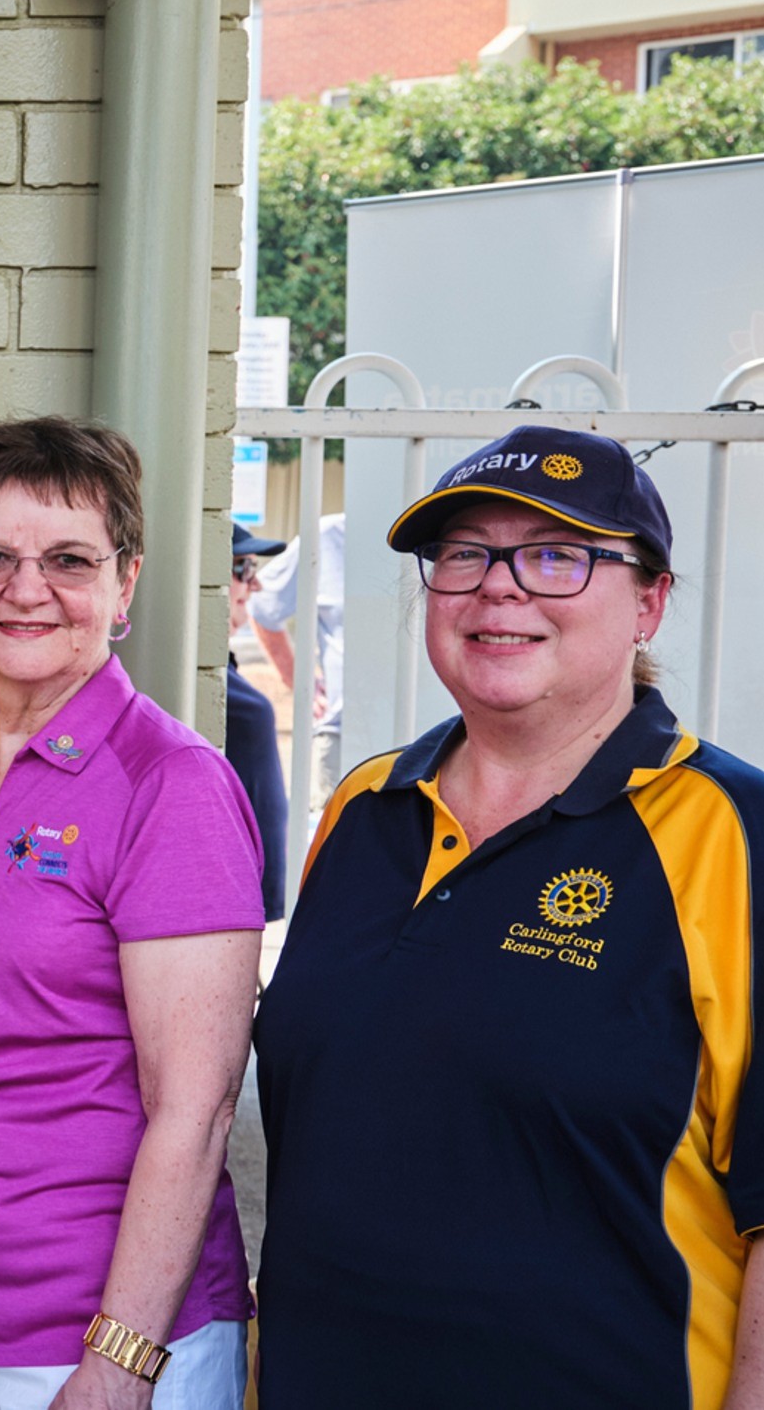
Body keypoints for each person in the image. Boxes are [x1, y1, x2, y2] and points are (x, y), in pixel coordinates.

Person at [256, 427, 764, 1409]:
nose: (499, 585)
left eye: (557, 554)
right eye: (463, 554)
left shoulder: (735, 833)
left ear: (649, 601)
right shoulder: (362, 808)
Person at [0, 417, 263, 1409]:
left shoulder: (168, 782)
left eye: (67, 558)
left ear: (124, 582)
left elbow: (196, 1106)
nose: (25, 587)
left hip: (94, 1345)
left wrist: (119, 1358)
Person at [251, 510, 343, 803]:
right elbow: (263, 605)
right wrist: (301, 681)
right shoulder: (327, 536)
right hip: (342, 734)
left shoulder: (439, 530)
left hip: (440, 732)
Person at [227, 525, 290, 921]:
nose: (255, 585)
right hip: (223, 902)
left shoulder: (224, 669)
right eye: (243, 568)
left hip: (243, 905)